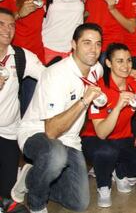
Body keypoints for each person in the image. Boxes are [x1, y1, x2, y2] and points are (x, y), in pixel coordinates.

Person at [12, 23, 104, 213]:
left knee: (78, 203)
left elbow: (104, 74)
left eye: (97, 44)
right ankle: (37, 205)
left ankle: (33, 176)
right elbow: (51, 131)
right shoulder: (56, 75)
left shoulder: (96, 68)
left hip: (70, 140)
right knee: (55, 155)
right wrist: (83, 101)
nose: (93, 50)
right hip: (37, 133)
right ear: (73, 44)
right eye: (87, 43)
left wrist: (130, 73)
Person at [81, 43, 136, 208]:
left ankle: (119, 171)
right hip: (95, 138)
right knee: (106, 151)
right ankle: (103, 186)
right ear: (108, 63)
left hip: (123, 138)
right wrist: (117, 106)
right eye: (120, 61)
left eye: (129, 61)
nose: (126, 66)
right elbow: (101, 133)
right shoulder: (99, 88)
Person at [0, 8, 44, 199]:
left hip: (8, 132)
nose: (7, 30)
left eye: (11, 25)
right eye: (1, 24)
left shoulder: (20, 56)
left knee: (7, 194)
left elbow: (50, 77)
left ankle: (20, 178)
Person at [0, 0, 46, 116]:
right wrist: (19, 13)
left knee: (30, 112)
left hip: (35, 56)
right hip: (14, 57)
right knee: (7, 112)